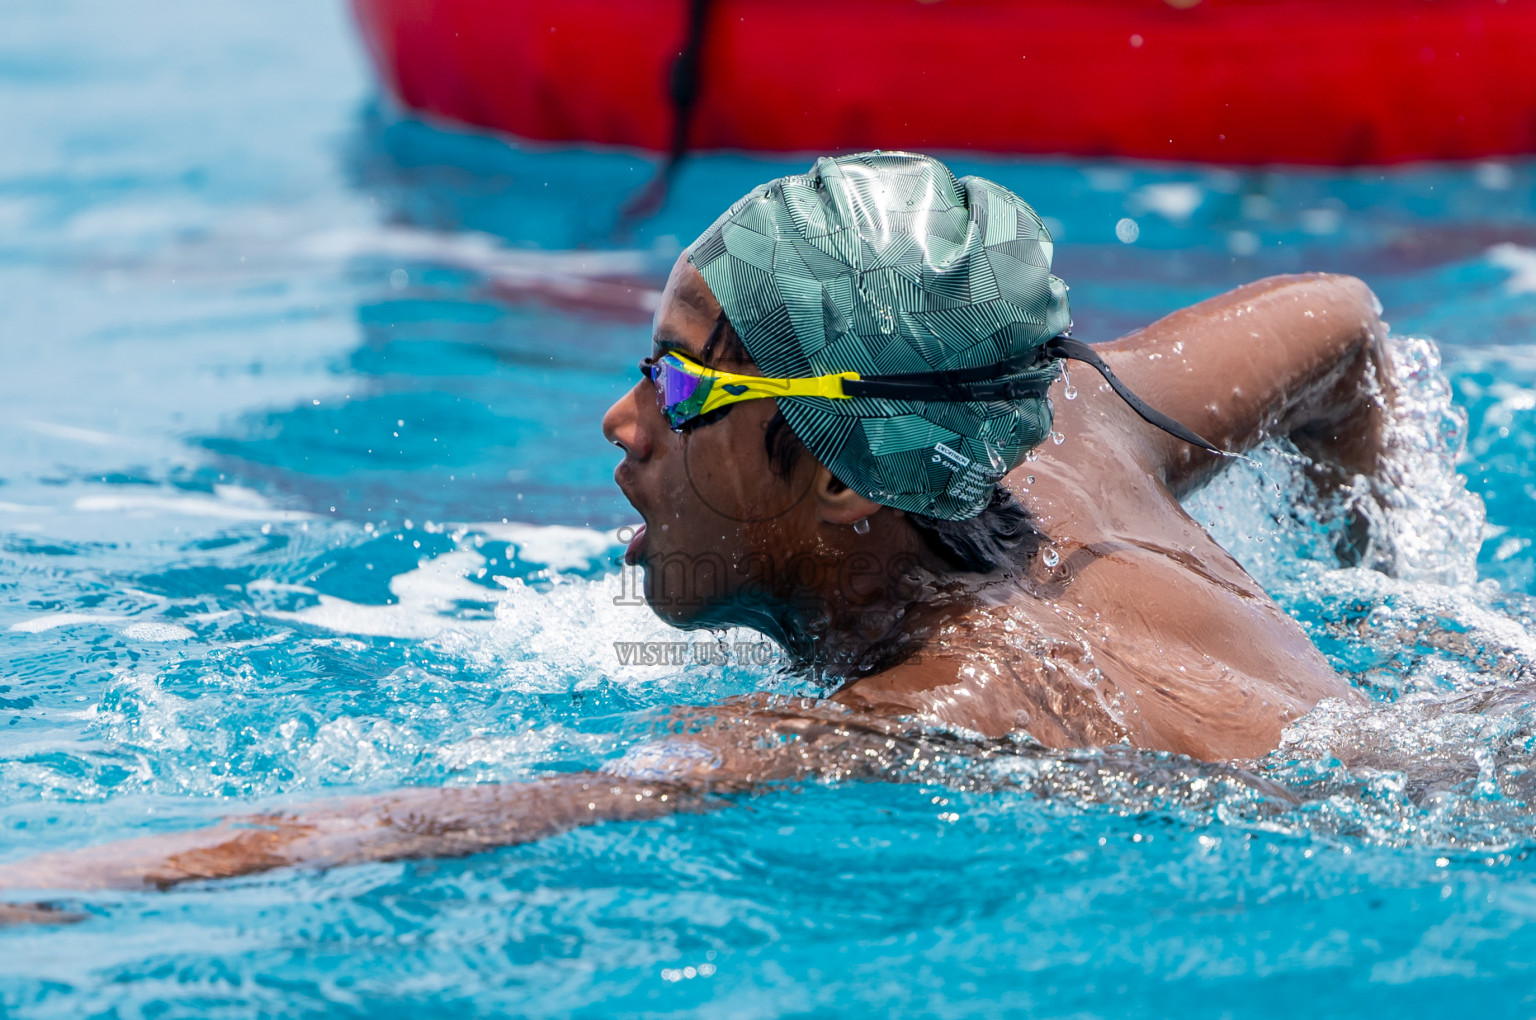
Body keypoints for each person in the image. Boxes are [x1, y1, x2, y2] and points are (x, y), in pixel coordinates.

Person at [0, 152, 1388, 897]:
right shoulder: (1060, 439)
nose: (622, 423)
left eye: (678, 381)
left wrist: (106, 870)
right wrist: (1380, 584)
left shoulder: (927, 707)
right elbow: (1342, 320)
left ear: (848, 477)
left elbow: (459, 818)